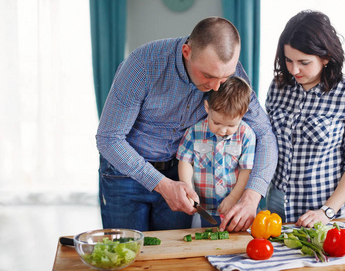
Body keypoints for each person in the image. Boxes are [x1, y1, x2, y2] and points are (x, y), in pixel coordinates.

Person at [96, 17, 277, 232]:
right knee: (127, 256)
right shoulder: (142, 65)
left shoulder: (226, 71)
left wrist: (252, 196)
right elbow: (109, 139)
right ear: (186, 52)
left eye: (225, 77)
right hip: (125, 175)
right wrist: (162, 185)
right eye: (208, 76)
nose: (217, 87)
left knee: (173, 257)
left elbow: (264, 133)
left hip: (179, 175)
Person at [265, 10, 345, 228]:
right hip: (278, 202)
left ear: (325, 58)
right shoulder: (278, 87)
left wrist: (327, 211)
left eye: (304, 62)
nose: (294, 69)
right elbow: (266, 143)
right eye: (288, 60)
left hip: (326, 207)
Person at [177, 76, 255, 227]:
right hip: (207, 209)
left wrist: (233, 198)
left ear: (243, 113)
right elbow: (185, 161)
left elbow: (247, 171)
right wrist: (188, 188)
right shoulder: (194, 132)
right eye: (217, 122)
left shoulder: (246, 134)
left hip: (237, 207)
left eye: (231, 125)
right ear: (207, 108)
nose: (223, 130)